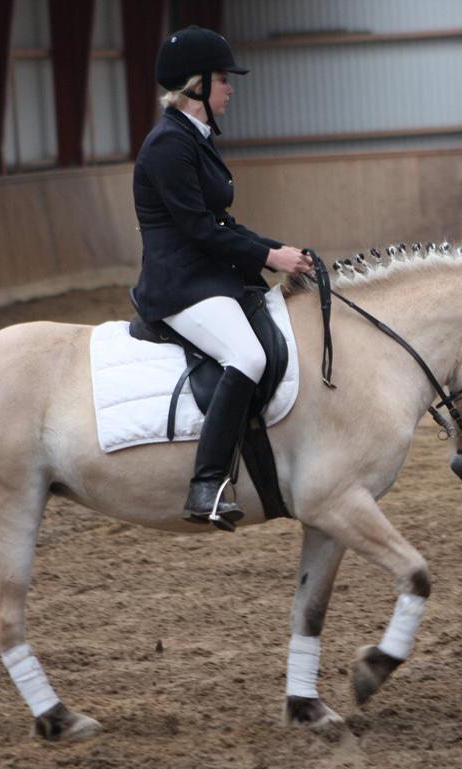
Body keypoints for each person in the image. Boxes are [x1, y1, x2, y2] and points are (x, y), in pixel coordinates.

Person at [131, 25, 312, 529]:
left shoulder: (195, 138)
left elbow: (223, 225)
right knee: (248, 355)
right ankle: (206, 484)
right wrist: (270, 257)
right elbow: (197, 229)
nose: (231, 88)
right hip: (179, 286)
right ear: (196, 86)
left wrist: (279, 251)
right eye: (223, 80)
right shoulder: (169, 145)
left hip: (207, 276)